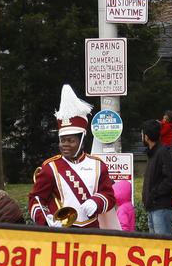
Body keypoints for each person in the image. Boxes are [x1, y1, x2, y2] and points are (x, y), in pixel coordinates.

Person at [29, 84, 116, 229]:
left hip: (91, 230)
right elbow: (36, 199)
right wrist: (46, 219)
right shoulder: (50, 167)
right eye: (62, 140)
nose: (65, 145)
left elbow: (109, 195)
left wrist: (97, 202)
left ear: (81, 141)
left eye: (71, 140)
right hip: (62, 232)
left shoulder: (97, 165)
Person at [140, 119, 172, 235]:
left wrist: (153, 194)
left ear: (146, 136)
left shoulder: (162, 152)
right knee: (155, 248)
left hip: (161, 208)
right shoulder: (152, 154)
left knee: (163, 245)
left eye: (142, 133)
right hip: (152, 207)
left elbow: (171, 179)